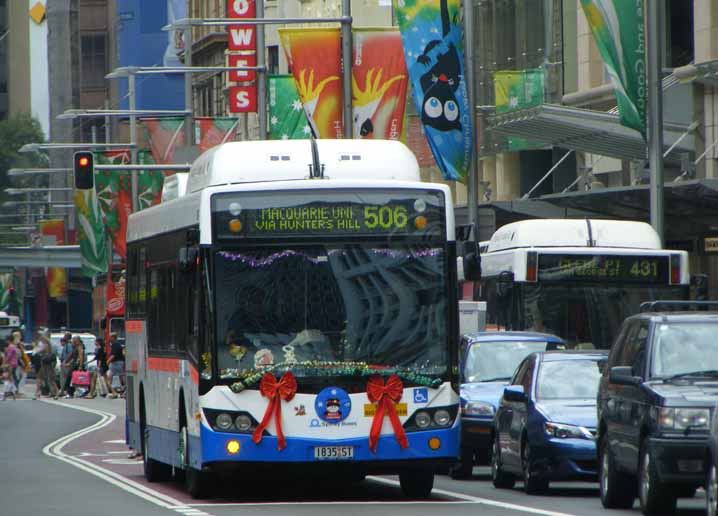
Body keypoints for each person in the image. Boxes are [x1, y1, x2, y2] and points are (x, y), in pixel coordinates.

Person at [34, 335, 59, 400]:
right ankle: (38, 393)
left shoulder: (46, 345)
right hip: (46, 364)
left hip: (46, 364)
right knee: (43, 379)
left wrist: (37, 347)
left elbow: (37, 351)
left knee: (49, 379)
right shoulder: (49, 345)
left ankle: (56, 393)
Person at [106, 333, 125, 399]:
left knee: (109, 379)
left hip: (116, 363)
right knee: (121, 377)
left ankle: (114, 392)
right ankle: (122, 391)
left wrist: (107, 362)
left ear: (113, 338)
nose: (109, 339)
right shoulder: (117, 344)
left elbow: (113, 355)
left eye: (110, 337)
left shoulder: (115, 345)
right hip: (118, 363)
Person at [13, 331, 31, 395]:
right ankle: (18, 390)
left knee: (19, 376)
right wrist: (22, 362)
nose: (20, 337)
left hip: (20, 362)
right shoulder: (17, 344)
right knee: (21, 376)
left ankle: (17, 389)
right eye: (19, 336)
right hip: (19, 363)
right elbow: (18, 355)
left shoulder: (19, 344)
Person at [58, 332, 73, 396]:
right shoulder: (66, 345)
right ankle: (62, 390)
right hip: (64, 362)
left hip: (66, 363)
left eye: (65, 336)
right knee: (63, 378)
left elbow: (70, 353)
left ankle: (63, 391)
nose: (64, 337)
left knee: (64, 378)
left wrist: (65, 361)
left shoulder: (69, 345)